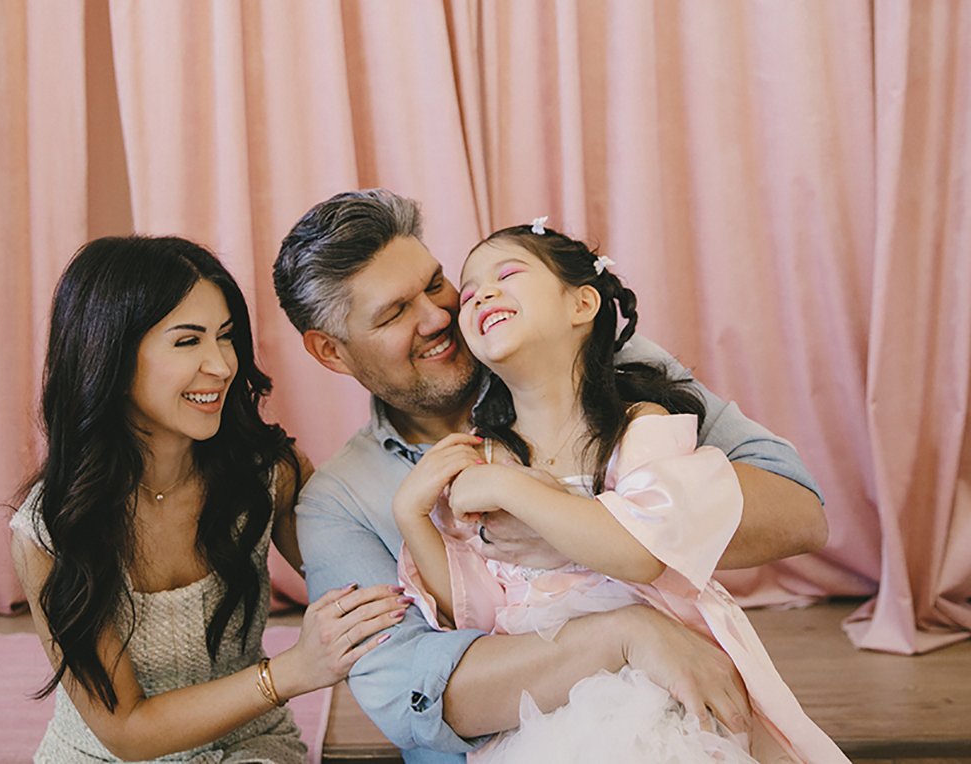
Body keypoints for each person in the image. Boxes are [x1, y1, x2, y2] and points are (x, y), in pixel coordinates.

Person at [273, 189, 829, 762]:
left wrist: (570, 527)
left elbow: (800, 511)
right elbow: (411, 694)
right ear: (331, 352)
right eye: (394, 313)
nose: (439, 317)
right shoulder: (338, 502)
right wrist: (624, 635)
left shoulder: (592, 355)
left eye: (437, 284)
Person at [10, 236, 406, 763]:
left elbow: (377, 581)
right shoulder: (50, 529)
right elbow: (126, 730)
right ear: (110, 356)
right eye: (187, 342)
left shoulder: (269, 476)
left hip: (247, 748)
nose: (221, 366)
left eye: (225, 337)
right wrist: (293, 670)